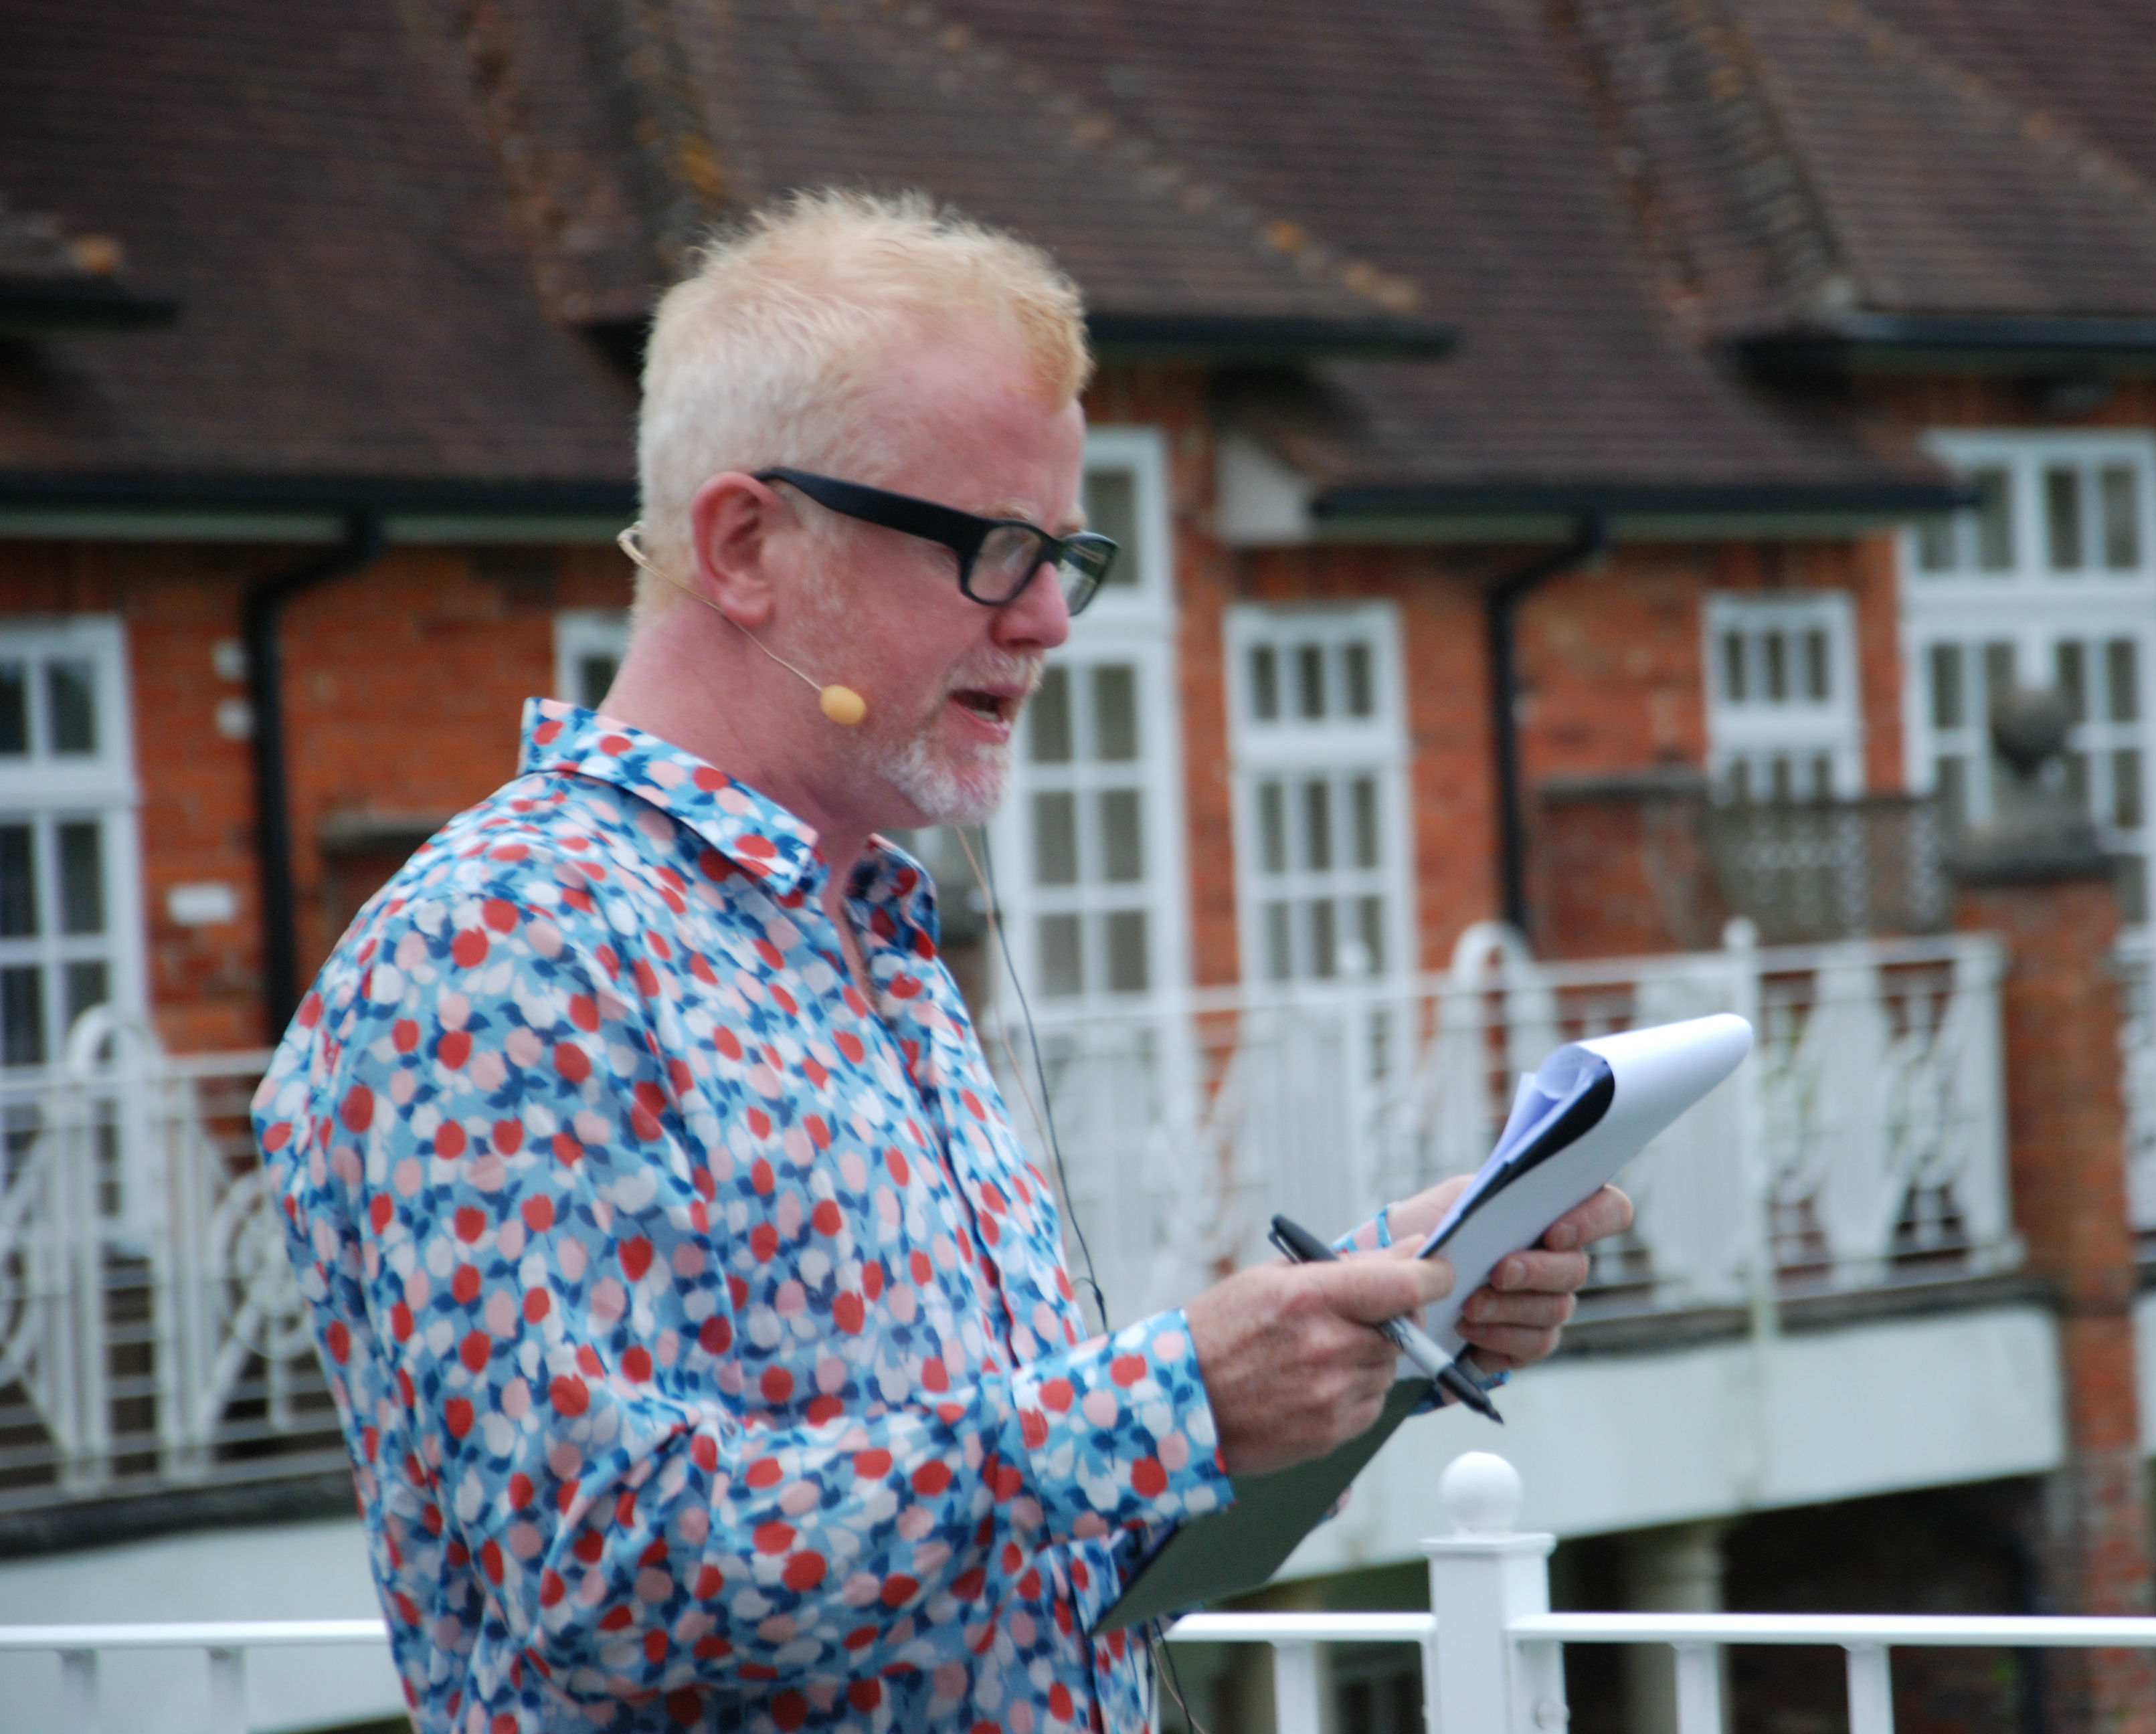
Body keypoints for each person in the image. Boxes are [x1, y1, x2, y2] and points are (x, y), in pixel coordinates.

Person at [256, 189, 1630, 1734]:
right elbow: (598, 1575)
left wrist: (1375, 1297)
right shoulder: (503, 951)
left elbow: (991, 1513)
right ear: (745, 543)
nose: (1048, 619)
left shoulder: (867, 930)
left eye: (1065, 553)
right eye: (990, 548)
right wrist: (1166, 1402)